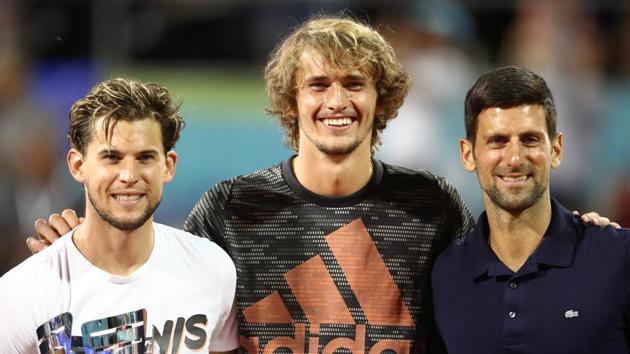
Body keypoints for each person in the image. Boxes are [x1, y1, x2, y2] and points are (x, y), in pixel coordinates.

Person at [26, 18, 614, 354]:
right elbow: (153, 290)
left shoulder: (430, 204)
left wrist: (584, 235)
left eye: (354, 83)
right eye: (318, 85)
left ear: (380, 99)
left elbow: (501, 269)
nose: (337, 101)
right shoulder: (229, 209)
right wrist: (84, 248)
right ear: (291, 100)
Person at [0, 78, 239, 353]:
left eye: (145, 158)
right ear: (78, 166)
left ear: (168, 166)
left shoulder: (212, 269)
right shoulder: (21, 292)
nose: (128, 176)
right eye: (112, 157)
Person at [431, 66, 630, 354]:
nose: (514, 158)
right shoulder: (446, 274)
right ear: (468, 154)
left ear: (556, 149)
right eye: (497, 141)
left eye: (529, 139)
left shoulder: (618, 257)